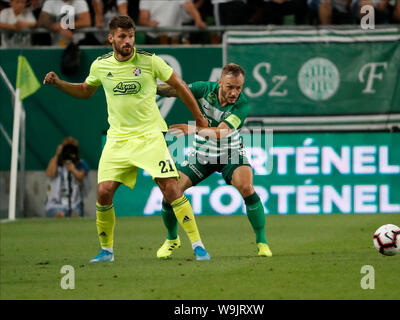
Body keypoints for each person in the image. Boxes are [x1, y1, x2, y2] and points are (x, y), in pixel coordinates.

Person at [43, 15, 211, 263]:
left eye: (131, 36)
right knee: (104, 192)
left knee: (172, 189)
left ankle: (198, 246)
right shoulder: (101, 65)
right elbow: (85, 91)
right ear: (111, 38)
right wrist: (59, 83)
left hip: (150, 136)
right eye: (122, 36)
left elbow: (180, 85)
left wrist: (198, 117)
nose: (128, 41)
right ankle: (106, 251)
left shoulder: (149, 61)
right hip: (118, 140)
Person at [156, 63, 273, 259]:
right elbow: (176, 90)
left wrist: (192, 129)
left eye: (238, 88)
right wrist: (152, 87)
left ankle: (262, 242)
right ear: (220, 82)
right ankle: (171, 239)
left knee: (247, 187)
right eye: (230, 87)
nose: (234, 92)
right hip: (202, 153)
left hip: (231, 152)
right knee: (170, 192)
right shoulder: (204, 89)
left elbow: (222, 132)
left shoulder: (242, 105)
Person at [45, 137, 90, 218]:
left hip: (75, 204)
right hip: (55, 204)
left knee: (75, 216)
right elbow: (50, 173)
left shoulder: (80, 163)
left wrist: (73, 169)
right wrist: (57, 155)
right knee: (59, 215)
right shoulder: (56, 162)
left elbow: (81, 177)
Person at [138, 0, 207, 45]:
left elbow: (189, 6)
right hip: (155, 40)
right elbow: (142, 19)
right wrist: (149, 23)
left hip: (175, 39)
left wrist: (198, 20)